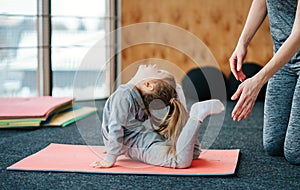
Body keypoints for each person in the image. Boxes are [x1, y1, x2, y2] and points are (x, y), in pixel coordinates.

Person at [90, 65, 225, 168]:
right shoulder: (134, 95)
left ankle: (196, 116)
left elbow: (115, 127)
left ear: (148, 85)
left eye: (158, 71)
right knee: (193, 153)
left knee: (180, 161)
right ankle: (191, 114)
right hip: (143, 138)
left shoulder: (124, 95)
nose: (154, 66)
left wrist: (110, 157)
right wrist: (111, 149)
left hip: (141, 145)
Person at [229, 0, 300, 165]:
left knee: (294, 152)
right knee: (273, 145)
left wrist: (258, 81)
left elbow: (298, 35)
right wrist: (242, 43)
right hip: (283, 63)